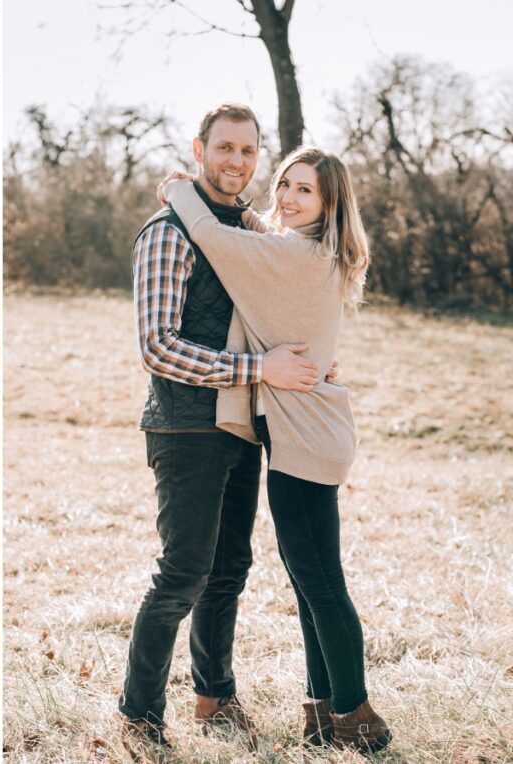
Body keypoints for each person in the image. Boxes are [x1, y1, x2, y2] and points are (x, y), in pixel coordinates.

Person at [156, 145, 391, 753]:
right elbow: (261, 237)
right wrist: (254, 212)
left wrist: (178, 188)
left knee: (322, 584)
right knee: (308, 579)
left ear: (329, 204)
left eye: (304, 190)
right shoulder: (311, 252)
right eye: (284, 183)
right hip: (306, 435)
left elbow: (213, 234)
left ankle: (355, 714)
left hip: (303, 441)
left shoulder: (293, 256)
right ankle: (320, 709)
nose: (286, 197)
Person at [119, 103, 331, 754]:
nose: (237, 161)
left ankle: (214, 697)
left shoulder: (244, 231)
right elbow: (157, 345)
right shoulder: (168, 233)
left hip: (241, 423)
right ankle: (138, 714)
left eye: (248, 150)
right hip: (185, 427)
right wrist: (255, 367)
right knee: (182, 571)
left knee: (229, 569)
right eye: (225, 148)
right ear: (199, 148)